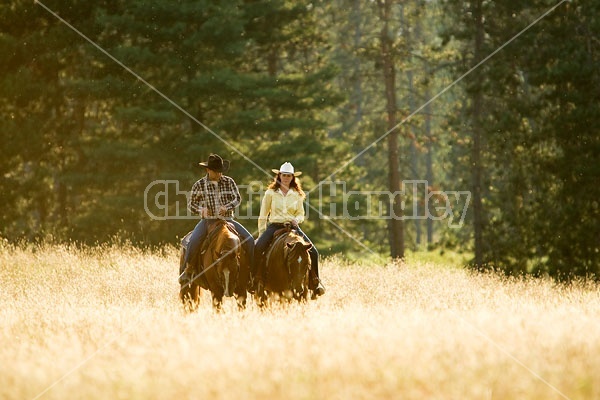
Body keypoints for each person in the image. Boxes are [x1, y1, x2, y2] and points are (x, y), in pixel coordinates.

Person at [179, 153, 254, 289]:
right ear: (208, 170)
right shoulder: (200, 184)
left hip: (228, 220)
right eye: (216, 171)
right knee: (193, 241)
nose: (219, 174)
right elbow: (191, 204)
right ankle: (188, 270)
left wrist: (227, 207)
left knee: (249, 240)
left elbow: (237, 198)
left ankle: (251, 274)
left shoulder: (229, 181)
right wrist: (201, 210)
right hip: (208, 221)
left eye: (220, 171)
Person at [254, 162, 325, 296]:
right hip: (275, 226)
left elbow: (301, 214)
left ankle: (315, 283)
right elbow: (263, 215)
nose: (286, 177)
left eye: (289, 175)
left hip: (292, 227)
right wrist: (262, 233)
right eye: (284, 175)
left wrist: (296, 220)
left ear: (293, 177)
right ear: (279, 176)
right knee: (258, 248)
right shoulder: (271, 193)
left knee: (314, 252)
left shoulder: (297, 194)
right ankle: (255, 280)